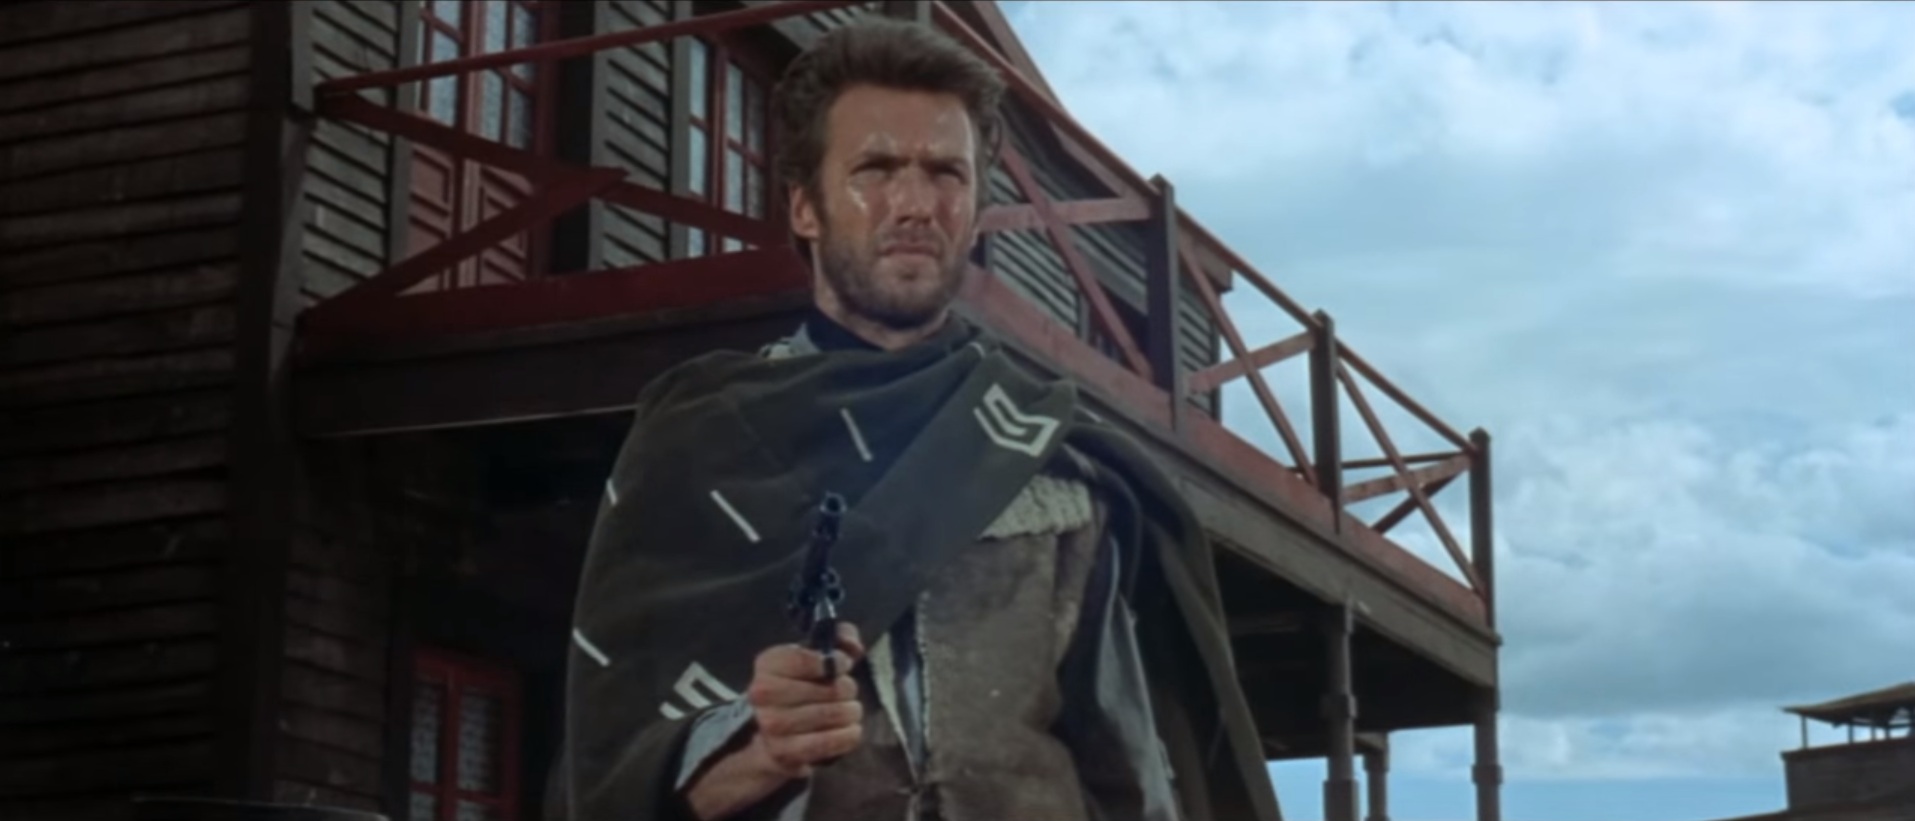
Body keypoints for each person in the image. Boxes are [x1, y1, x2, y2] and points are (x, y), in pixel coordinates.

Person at [553, 16, 1283, 821]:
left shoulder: (1046, 451)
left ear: (972, 207)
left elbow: (1129, 766)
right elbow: (610, 779)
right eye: (874, 168)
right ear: (805, 207)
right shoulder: (702, 439)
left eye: (945, 173)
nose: (913, 204)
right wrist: (757, 751)